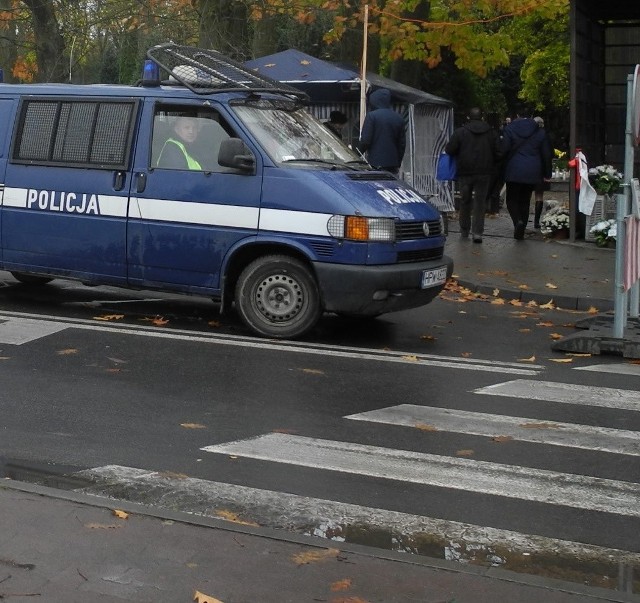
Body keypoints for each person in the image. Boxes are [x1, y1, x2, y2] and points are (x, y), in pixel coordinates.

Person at [444, 107, 499, 243]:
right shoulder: (491, 132)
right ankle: (477, 233)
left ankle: (464, 230)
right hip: (484, 172)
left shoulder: (461, 132)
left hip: (465, 172)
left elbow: (450, 149)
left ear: (468, 117)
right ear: (482, 117)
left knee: (465, 200)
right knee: (480, 202)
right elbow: (499, 151)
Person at [501, 116, 552, 239]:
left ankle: (517, 222)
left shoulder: (510, 130)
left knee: (511, 200)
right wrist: (547, 174)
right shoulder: (540, 132)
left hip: (513, 170)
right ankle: (522, 228)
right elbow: (546, 154)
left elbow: (504, 150)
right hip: (532, 171)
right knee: (525, 200)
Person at [357, 88, 406, 175]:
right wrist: (398, 162)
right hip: (393, 164)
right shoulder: (399, 118)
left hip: (375, 163)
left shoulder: (372, 116)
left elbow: (365, 140)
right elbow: (402, 144)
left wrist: (356, 154)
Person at [532, 116, 551, 228]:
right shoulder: (545, 135)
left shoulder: (529, 135)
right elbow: (548, 154)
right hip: (541, 169)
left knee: (527, 194)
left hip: (530, 168)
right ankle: (536, 221)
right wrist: (548, 173)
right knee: (539, 195)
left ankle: (522, 220)